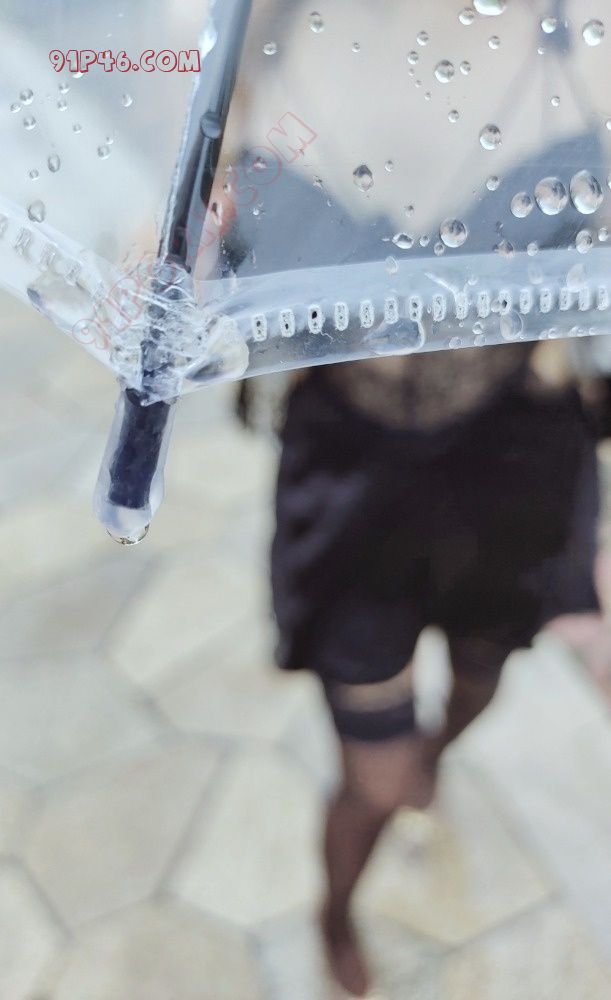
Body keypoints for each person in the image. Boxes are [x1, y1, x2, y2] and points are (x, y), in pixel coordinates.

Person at [270, 341, 602, 997]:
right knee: (377, 781)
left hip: (513, 454)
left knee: (478, 683)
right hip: (355, 476)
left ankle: (431, 757)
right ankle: (335, 915)